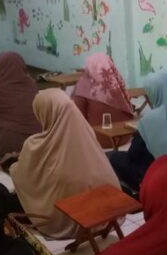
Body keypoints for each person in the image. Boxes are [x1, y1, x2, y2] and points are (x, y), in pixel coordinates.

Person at [10, 88, 121, 239]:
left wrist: (13, 168)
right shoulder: (87, 131)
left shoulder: (34, 145)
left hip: (67, 217)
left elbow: (23, 177)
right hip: (109, 206)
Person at [108, 71, 167, 193]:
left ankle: (139, 192)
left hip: (161, 176)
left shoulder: (150, 120)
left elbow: (133, 154)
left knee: (114, 157)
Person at [72, 53, 135, 148]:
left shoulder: (83, 85)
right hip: (125, 137)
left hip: (98, 139)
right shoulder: (116, 82)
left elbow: (78, 115)